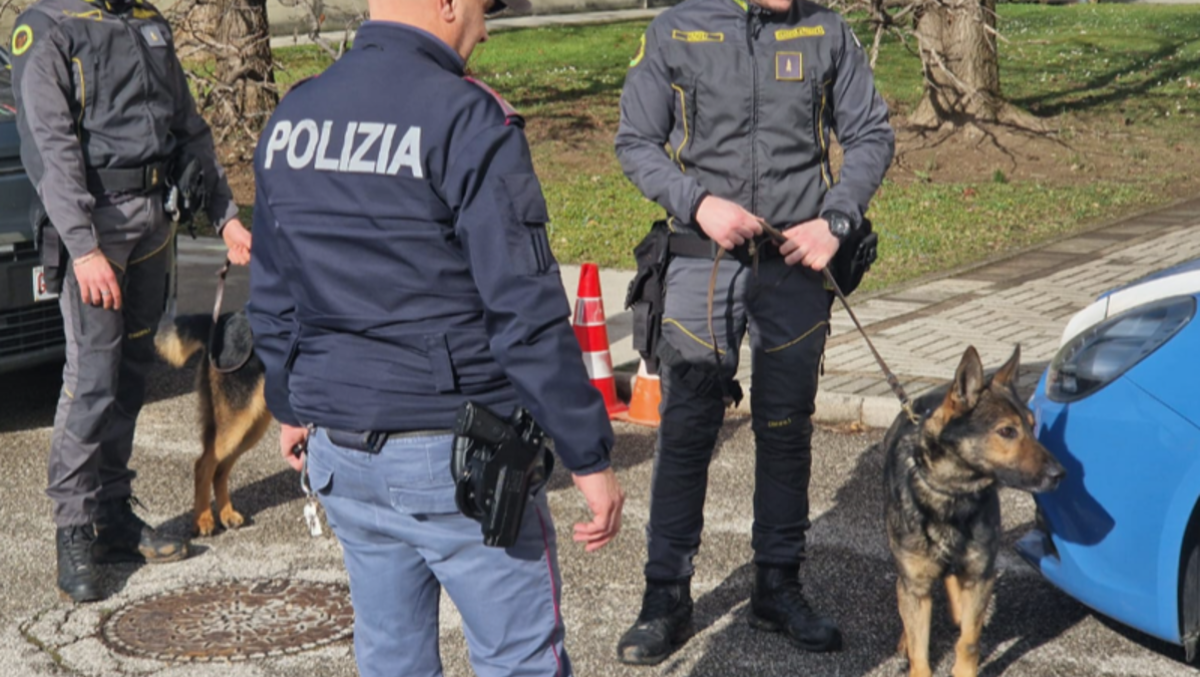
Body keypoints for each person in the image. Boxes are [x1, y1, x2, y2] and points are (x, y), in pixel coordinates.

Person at [246, 0, 625, 674]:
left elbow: (273, 291)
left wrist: (290, 403)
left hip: (342, 449)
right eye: (482, 9)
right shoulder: (467, 117)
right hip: (457, 461)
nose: (484, 26)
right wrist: (588, 455)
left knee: (391, 658)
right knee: (520, 660)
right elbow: (526, 308)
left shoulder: (294, 116)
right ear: (447, 4)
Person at [613, 0, 894, 663]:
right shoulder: (677, 27)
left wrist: (836, 221)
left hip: (796, 264)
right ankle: (665, 595)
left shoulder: (826, 30)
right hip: (699, 258)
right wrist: (698, 203)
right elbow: (634, 140)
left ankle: (777, 583)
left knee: (785, 426)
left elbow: (872, 134)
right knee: (687, 425)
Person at [9, 0, 250, 603]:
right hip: (97, 231)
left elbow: (188, 126)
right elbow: (50, 146)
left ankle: (113, 513)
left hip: (153, 226)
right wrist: (83, 247)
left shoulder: (146, 20)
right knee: (91, 379)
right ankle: (73, 528)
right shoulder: (49, 28)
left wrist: (225, 216)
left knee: (133, 374)